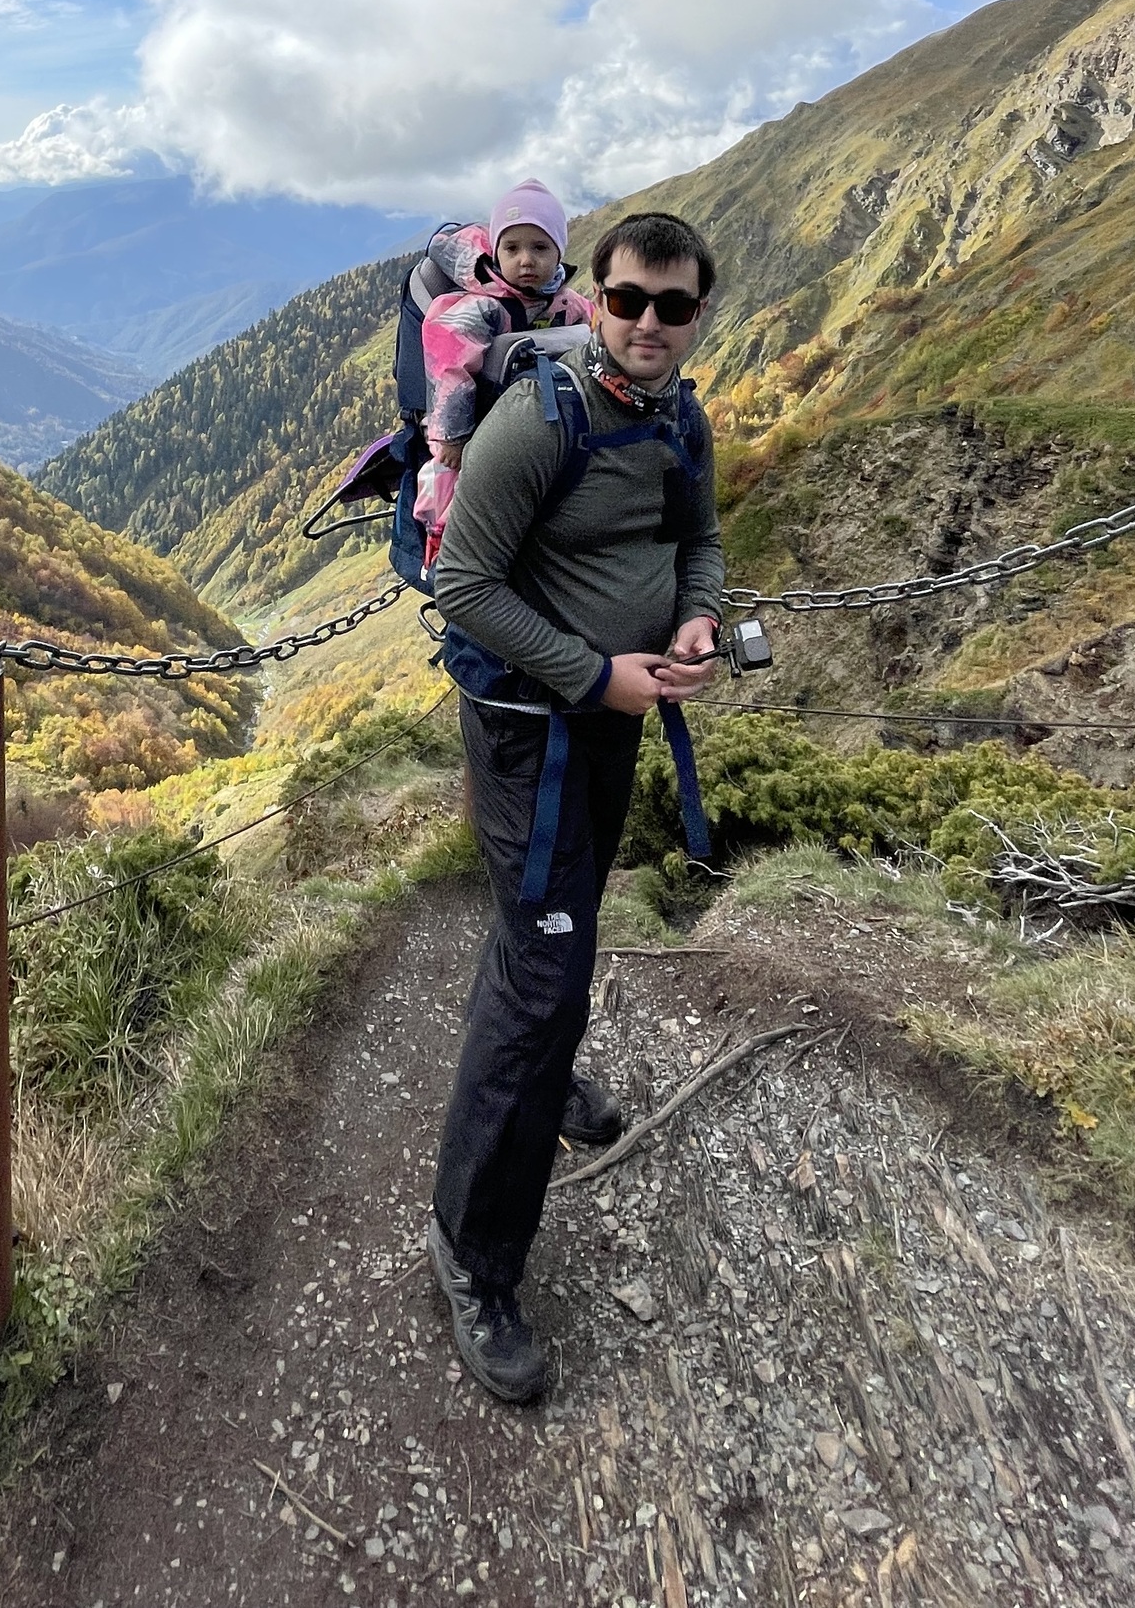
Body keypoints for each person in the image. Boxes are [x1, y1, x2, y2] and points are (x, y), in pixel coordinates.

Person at [424, 207, 724, 1402]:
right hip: (528, 731)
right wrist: (597, 672)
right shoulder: (534, 417)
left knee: (556, 926)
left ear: (697, 315)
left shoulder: (678, 416)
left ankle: (542, 1079)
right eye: (627, 299)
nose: (648, 323)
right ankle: (471, 1252)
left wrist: (693, 618)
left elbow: (694, 539)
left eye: (673, 305)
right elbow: (462, 583)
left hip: (614, 721)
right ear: (592, 300)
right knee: (545, 960)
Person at [410, 179, 595, 569]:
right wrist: (452, 437)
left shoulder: (569, 304)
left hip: (538, 423)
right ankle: (442, 547)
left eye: (540, 248)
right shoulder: (478, 308)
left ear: (559, 252)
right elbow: (450, 370)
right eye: (512, 248)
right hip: (472, 428)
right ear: (496, 251)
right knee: (449, 483)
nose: (526, 260)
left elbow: (601, 337)